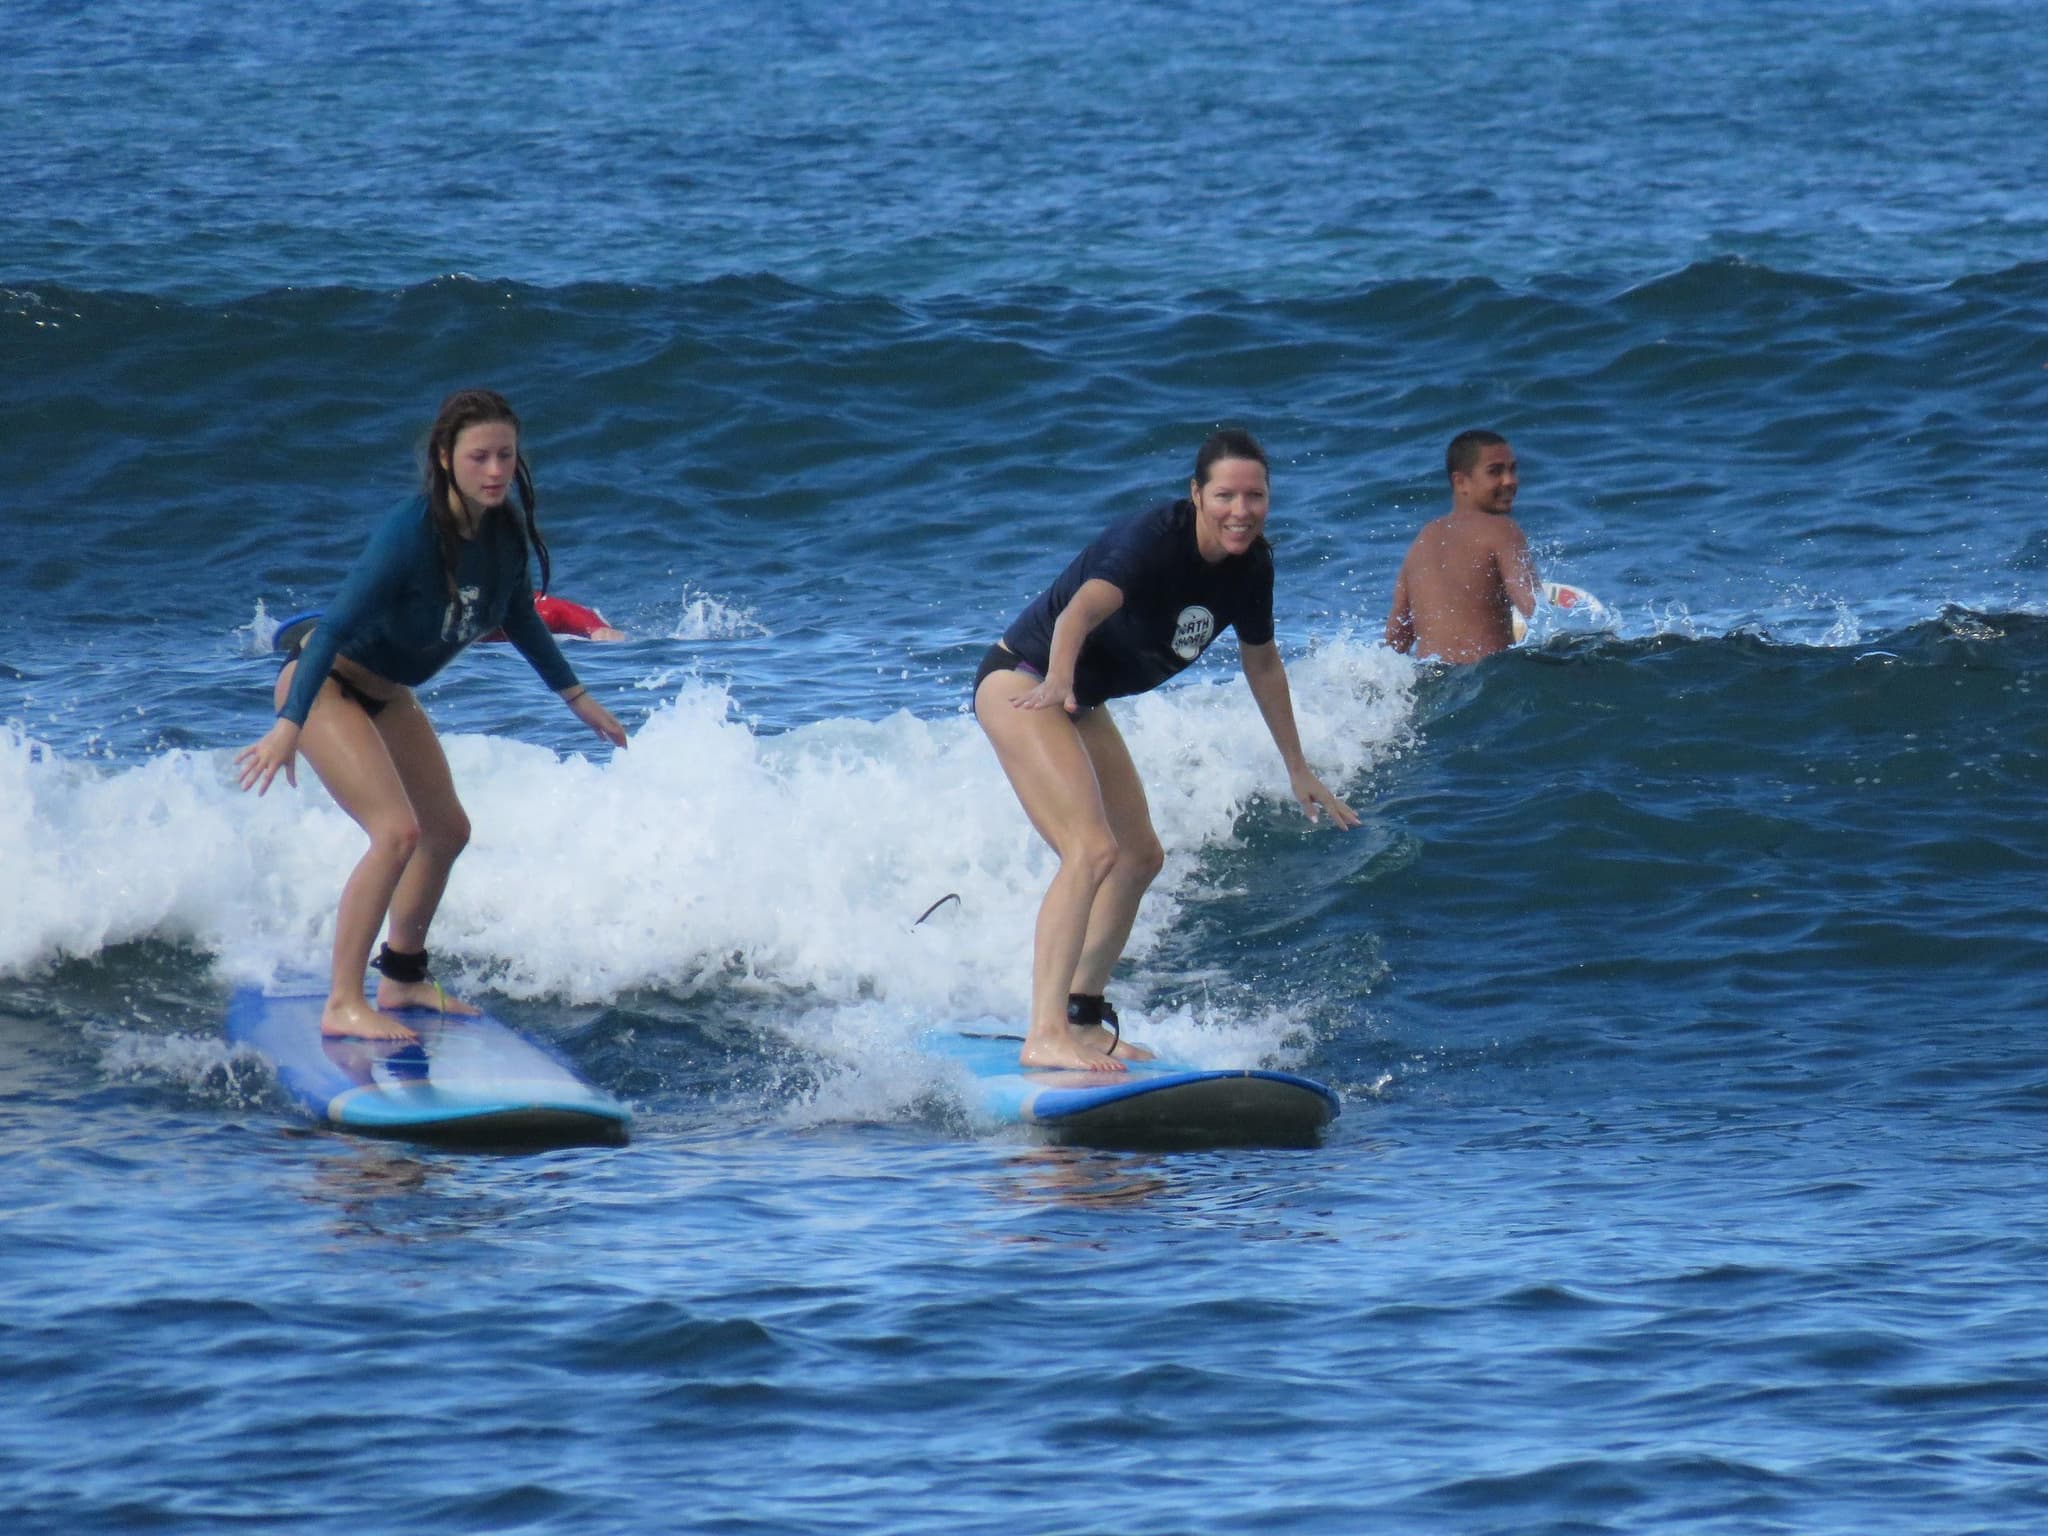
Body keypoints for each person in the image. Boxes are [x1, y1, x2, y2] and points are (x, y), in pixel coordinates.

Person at [235, 389, 627, 1042]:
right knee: (396, 834)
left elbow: (519, 616)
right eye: (480, 457)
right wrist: (288, 726)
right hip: (326, 685)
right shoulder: (411, 531)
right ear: (446, 458)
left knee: (446, 830)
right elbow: (330, 631)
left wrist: (577, 697)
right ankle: (342, 1001)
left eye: (505, 455)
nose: (496, 471)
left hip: (389, 694)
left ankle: (403, 976)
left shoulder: (502, 534)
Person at [973, 428, 1359, 1073]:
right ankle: (1043, 1035)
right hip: (1026, 684)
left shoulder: (1252, 566)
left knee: (1140, 855)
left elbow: (1262, 663)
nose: (1241, 510)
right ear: (1196, 495)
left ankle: (1084, 1018)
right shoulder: (1151, 542)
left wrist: (1298, 766)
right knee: (1091, 850)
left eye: (1255, 496)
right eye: (1225, 495)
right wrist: (1062, 679)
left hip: (1079, 699)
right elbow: (1076, 614)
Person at [1385, 429, 1538, 663]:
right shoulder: (1502, 529)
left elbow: (1396, 641)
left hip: (1431, 683)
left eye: (1512, 469)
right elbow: (1536, 611)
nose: (1510, 481)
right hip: (1483, 679)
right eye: (1495, 471)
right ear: (1461, 482)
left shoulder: (1423, 540)